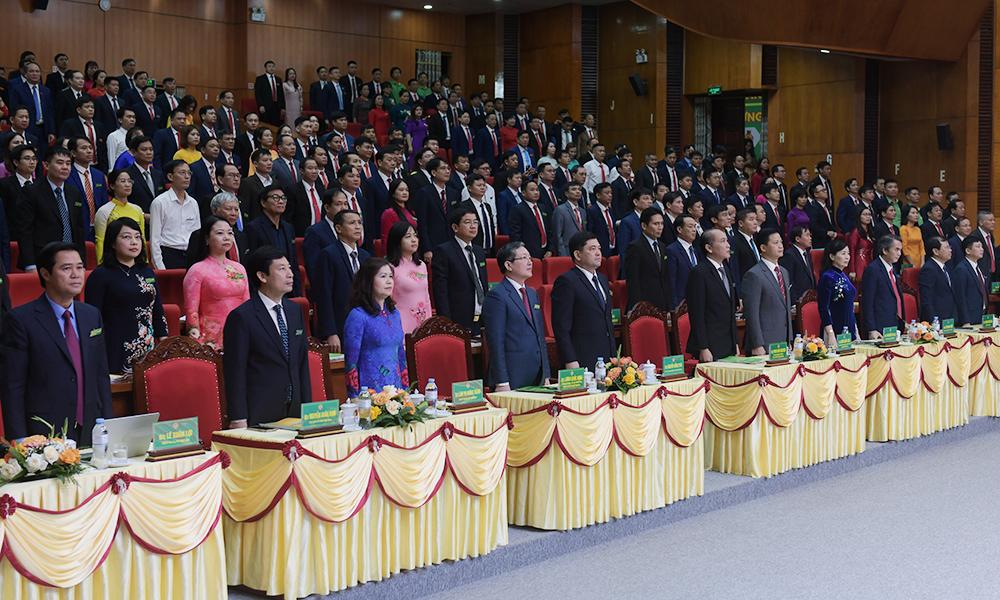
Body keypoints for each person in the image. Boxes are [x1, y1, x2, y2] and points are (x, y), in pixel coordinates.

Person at [1, 242, 111, 444]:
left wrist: (108, 424)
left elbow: (100, 375)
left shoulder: (91, 315)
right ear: (45, 274)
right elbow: (13, 385)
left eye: (80, 267)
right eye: (66, 268)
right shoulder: (20, 320)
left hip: (91, 426)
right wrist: (18, 437)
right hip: (43, 433)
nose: (76, 274)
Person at [224, 246, 311, 427]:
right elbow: (235, 372)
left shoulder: (295, 311)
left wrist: (307, 409)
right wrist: (238, 417)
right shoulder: (242, 317)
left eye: (289, 268)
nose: (290, 274)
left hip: (295, 410)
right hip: (260, 411)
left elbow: (302, 363)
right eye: (281, 269)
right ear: (262, 276)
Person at [84, 217, 167, 373]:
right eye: (126, 237)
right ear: (113, 243)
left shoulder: (147, 272)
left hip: (147, 345)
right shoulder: (101, 275)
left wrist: (163, 339)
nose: (134, 242)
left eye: (137, 237)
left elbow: (157, 308)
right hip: (115, 345)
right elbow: (92, 317)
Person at [483, 241, 550, 390]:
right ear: (508, 265)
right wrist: (502, 381)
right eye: (524, 258)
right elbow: (496, 342)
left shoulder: (532, 293)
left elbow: (540, 336)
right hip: (511, 377)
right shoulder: (497, 296)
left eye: (530, 258)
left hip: (537, 375)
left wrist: (546, 374)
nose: (530, 262)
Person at [344, 257, 409, 397]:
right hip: (369, 393)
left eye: (391, 276)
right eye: (383, 276)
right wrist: (355, 397)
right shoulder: (358, 316)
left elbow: (401, 355)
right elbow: (351, 363)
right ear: (369, 280)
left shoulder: (395, 314)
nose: (389, 281)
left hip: (396, 391)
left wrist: (405, 390)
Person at [183, 216, 250, 349]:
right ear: (207, 239)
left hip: (240, 333)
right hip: (210, 339)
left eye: (230, 233)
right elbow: (191, 311)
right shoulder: (197, 270)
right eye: (220, 233)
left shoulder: (239, 268)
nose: (226, 237)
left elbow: (247, 304)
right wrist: (196, 341)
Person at [551, 231, 615, 369]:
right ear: (577, 255)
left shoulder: (603, 279)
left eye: (599, 248)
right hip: (582, 358)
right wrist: (570, 359)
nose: (598, 253)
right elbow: (561, 327)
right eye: (592, 249)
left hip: (607, 358)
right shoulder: (567, 281)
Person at [17, 145, 86, 271]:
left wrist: (82, 262)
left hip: (71, 258)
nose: (65, 167)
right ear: (46, 165)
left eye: (68, 163)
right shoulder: (31, 192)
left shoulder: (74, 192)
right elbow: (25, 231)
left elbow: (79, 230)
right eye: (60, 163)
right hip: (43, 259)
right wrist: (30, 264)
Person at [313, 209, 369, 353]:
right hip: (341, 325)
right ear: (338, 228)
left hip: (366, 325)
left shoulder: (365, 256)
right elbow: (324, 295)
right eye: (352, 223)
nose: (357, 227)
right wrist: (330, 332)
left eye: (359, 223)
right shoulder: (328, 254)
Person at [431, 206, 488, 334]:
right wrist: (446, 321)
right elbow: (440, 290)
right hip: (458, 317)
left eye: (475, 222)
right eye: (467, 222)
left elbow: (483, 283)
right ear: (455, 227)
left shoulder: (479, 251)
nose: (473, 226)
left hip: (480, 315)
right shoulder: (444, 251)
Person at [686, 229, 739, 361]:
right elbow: (697, 314)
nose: (728, 245)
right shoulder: (699, 273)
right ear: (709, 248)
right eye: (722, 241)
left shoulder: (726, 269)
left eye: (727, 241)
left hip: (728, 343)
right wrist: (703, 347)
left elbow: (730, 310)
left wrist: (735, 343)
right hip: (710, 345)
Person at [741, 229, 792, 354]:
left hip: (783, 341)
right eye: (775, 243)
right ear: (763, 248)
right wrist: (757, 344)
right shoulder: (754, 274)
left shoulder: (784, 272)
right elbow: (751, 313)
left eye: (781, 242)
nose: (780, 246)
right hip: (764, 343)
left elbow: (785, 307)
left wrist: (789, 339)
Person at [246, 185, 302, 296]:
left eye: (283, 198)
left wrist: (297, 290)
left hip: (288, 287)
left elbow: (293, 262)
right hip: (267, 287)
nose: (281, 201)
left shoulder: (288, 228)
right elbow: (252, 263)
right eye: (275, 198)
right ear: (263, 203)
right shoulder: (253, 228)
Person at [149, 160, 199, 269]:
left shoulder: (193, 203)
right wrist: (160, 267)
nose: (187, 177)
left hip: (191, 255)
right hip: (169, 254)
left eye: (189, 173)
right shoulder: (160, 202)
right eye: (182, 173)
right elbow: (155, 239)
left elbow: (197, 235)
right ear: (170, 176)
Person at [386, 220, 431, 334]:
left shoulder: (421, 265)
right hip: (400, 323)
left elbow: (426, 297)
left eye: (415, 235)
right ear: (397, 240)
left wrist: (429, 323)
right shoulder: (389, 267)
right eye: (408, 236)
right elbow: (387, 301)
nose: (414, 240)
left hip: (423, 322)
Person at [624, 207, 673, 311]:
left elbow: (665, 278)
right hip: (645, 304)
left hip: (663, 303)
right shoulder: (635, 247)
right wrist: (638, 307)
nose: (660, 227)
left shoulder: (662, 246)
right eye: (656, 224)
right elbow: (633, 281)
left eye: (662, 224)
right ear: (644, 226)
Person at [93, 169, 145, 263]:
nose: (127, 184)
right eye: (123, 181)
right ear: (112, 186)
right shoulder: (104, 211)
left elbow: (142, 238)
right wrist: (101, 264)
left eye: (129, 181)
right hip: (113, 261)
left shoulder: (137, 209)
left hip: (135, 260)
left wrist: (145, 261)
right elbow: (100, 241)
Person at [861, 235, 905, 339]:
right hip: (879, 328)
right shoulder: (873, 269)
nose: (899, 253)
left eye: (900, 250)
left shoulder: (892, 268)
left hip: (894, 324)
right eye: (896, 249)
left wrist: (902, 322)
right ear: (885, 250)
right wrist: (872, 329)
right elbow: (867, 302)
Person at [817, 239, 859, 345]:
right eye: (843, 253)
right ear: (832, 256)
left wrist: (856, 330)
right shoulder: (827, 277)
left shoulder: (843, 275)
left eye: (848, 253)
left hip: (849, 328)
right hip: (835, 330)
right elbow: (824, 308)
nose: (847, 257)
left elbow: (849, 306)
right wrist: (830, 334)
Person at [664, 215, 701, 308]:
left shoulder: (695, 250)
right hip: (681, 303)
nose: (694, 230)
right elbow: (671, 280)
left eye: (695, 226)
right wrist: (674, 306)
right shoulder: (672, 250)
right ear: (679, 229)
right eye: (690, 226)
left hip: (697, 299)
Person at [918, 237, 957, 324]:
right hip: (937, 320)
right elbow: (926, 299)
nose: (950, 250)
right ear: (936, 251)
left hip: (949, 318)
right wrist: (934, 322)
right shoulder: (928, 269)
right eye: (946, 247)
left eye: (950, 247)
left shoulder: (946, 267)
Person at [953, 236, 989, 327]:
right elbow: (960, 297)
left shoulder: (978, 267)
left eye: (982, 246)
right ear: (968, 251)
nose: (981, 249)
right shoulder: (961, 269)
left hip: (982, 315)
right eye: (977, 246)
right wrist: (965, 321)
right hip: (969, 319)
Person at [779, 225, 816, 303]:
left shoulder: (807, 253)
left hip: (809, 297)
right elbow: (788, 280)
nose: (810, 238)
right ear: (797, 239)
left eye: (810, 235)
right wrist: (794, 300)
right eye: (807, 235)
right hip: (798, 299)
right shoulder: (789, 255)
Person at [847, 206, 875, 282]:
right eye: (865, 214)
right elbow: (852, 251)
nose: (868, 217)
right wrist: (852, 270)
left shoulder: (870, 231)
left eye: (869, 214)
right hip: (859, 263)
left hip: (869, 262)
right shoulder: (855, 232)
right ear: (859, 216)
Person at [254, 61, 285, 126]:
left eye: (273, 66)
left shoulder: (278, 79)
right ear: (265, 68)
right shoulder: (260, 79)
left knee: (276, 125)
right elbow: (258, 94)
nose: (271, 68)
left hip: (277, 106)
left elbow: (281, 94)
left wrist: (283, 107)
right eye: (269, 66)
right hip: (265, 106)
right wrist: (260, 105)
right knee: (265, 124)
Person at [899, 204, 924, 268]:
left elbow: (921, 247)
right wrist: (912, 264)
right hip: (908, 262)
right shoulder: (903, 229)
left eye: (917, 213)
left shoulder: (917, 229)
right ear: (907, 215)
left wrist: (923, 262)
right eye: (913, 213)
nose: (916, 215)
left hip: (920, 261)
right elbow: (904, 248)